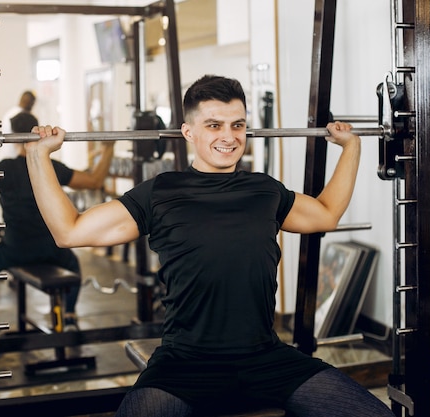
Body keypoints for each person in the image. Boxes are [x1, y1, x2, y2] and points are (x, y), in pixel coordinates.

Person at [24, 75, 394, 416]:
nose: (229, 136)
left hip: (265, 357)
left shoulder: (264, 190)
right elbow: (69, 232)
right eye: (214, 125)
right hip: (185, 363)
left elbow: (326, 214)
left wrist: (351, 147)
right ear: (188, 131)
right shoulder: (161, 192)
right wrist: (38, 156)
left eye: (238, 125)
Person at [0, 111, 115, 330]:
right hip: (51, 249)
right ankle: (69, 317)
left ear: (11, 136)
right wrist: (109, 148)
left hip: (14, 248)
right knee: (73, 265)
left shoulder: (5, 168)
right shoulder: (51, 168)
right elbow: (94, 181)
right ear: (38, 131)